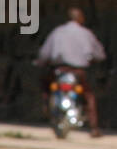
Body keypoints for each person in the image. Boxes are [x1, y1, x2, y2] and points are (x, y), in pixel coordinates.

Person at [37, 7, 106, 137]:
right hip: (78, 72)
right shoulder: (86, 34)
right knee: (88, 96)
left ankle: (46, 107)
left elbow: (44, 54)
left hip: (59, 70)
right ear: (80, 18)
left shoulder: (57, 32)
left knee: (45, 86)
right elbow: (99, 54)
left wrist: (40, 62)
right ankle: (94, 127)